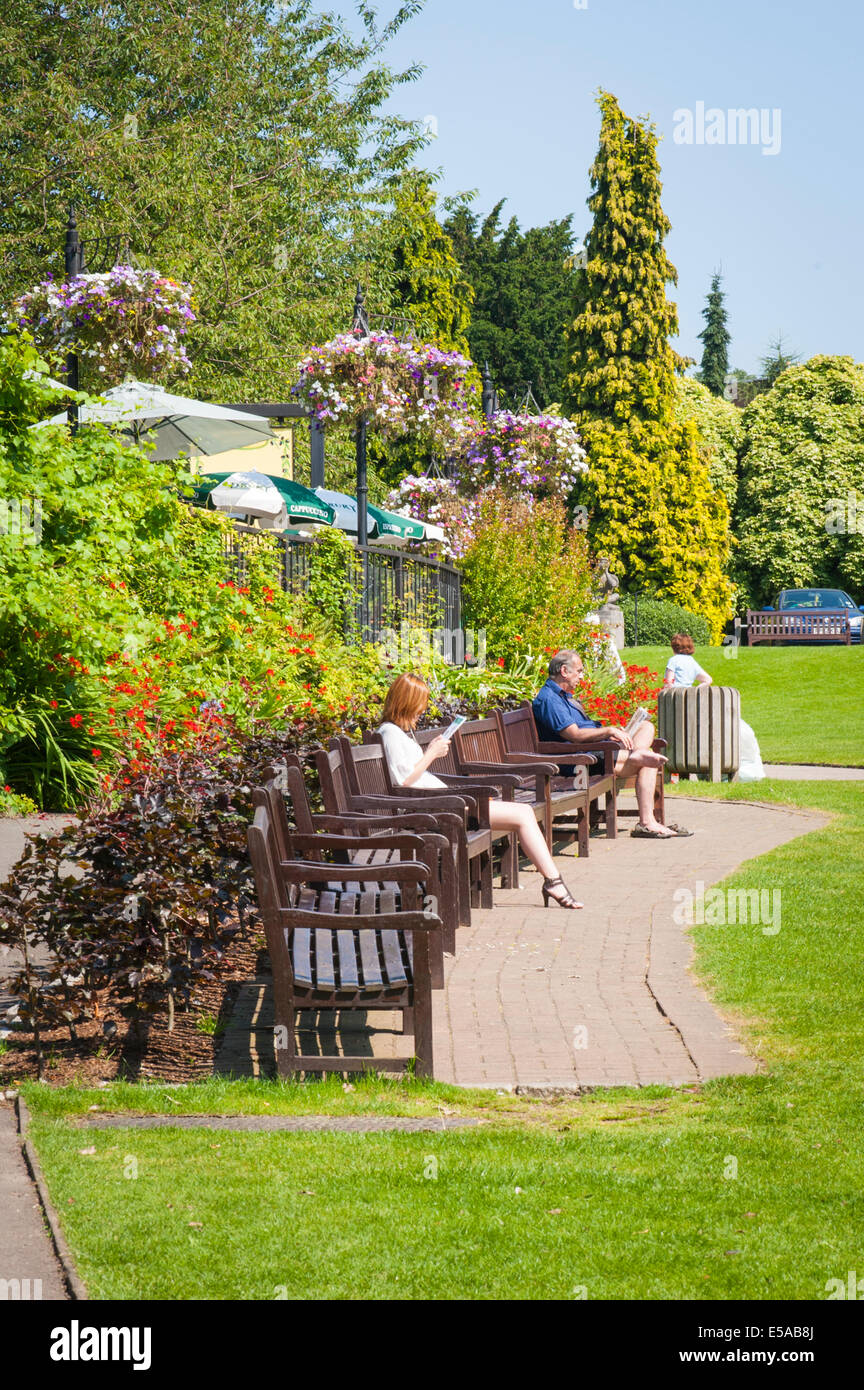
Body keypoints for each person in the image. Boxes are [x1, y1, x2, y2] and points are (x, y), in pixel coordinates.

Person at [377, 673, 583, 909]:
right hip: (433, 808)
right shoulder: (390, 734)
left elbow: (412, 774)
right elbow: (404, 782)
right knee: (523, 814)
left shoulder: (397, 732)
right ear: (406, 702)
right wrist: (431, 754)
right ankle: (553, 881)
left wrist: (431, 756)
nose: (423, 709)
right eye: (420, 703)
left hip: (441, 802)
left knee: (522, 813)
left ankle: (553, 881)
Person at [533, 649, 692, 840]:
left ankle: (636, 753)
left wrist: (614, 733)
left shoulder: (563, 696)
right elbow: (574, 735)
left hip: (597, 748)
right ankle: (647, 822)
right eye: (579, 671)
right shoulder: (549, 699)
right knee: (650, 761)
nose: (582, 676)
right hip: (580, 759)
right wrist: (608, 731)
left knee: (646, 726)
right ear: (564, 671)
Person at [663, 635, 765, 782]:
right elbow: (708, 679)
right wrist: (696, 690)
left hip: (675, 702)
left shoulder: (673, 660)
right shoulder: (692, 662)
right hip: (691, 701)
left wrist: (669, 690)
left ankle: (675, 772)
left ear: (674, 648)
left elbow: (668, 682)